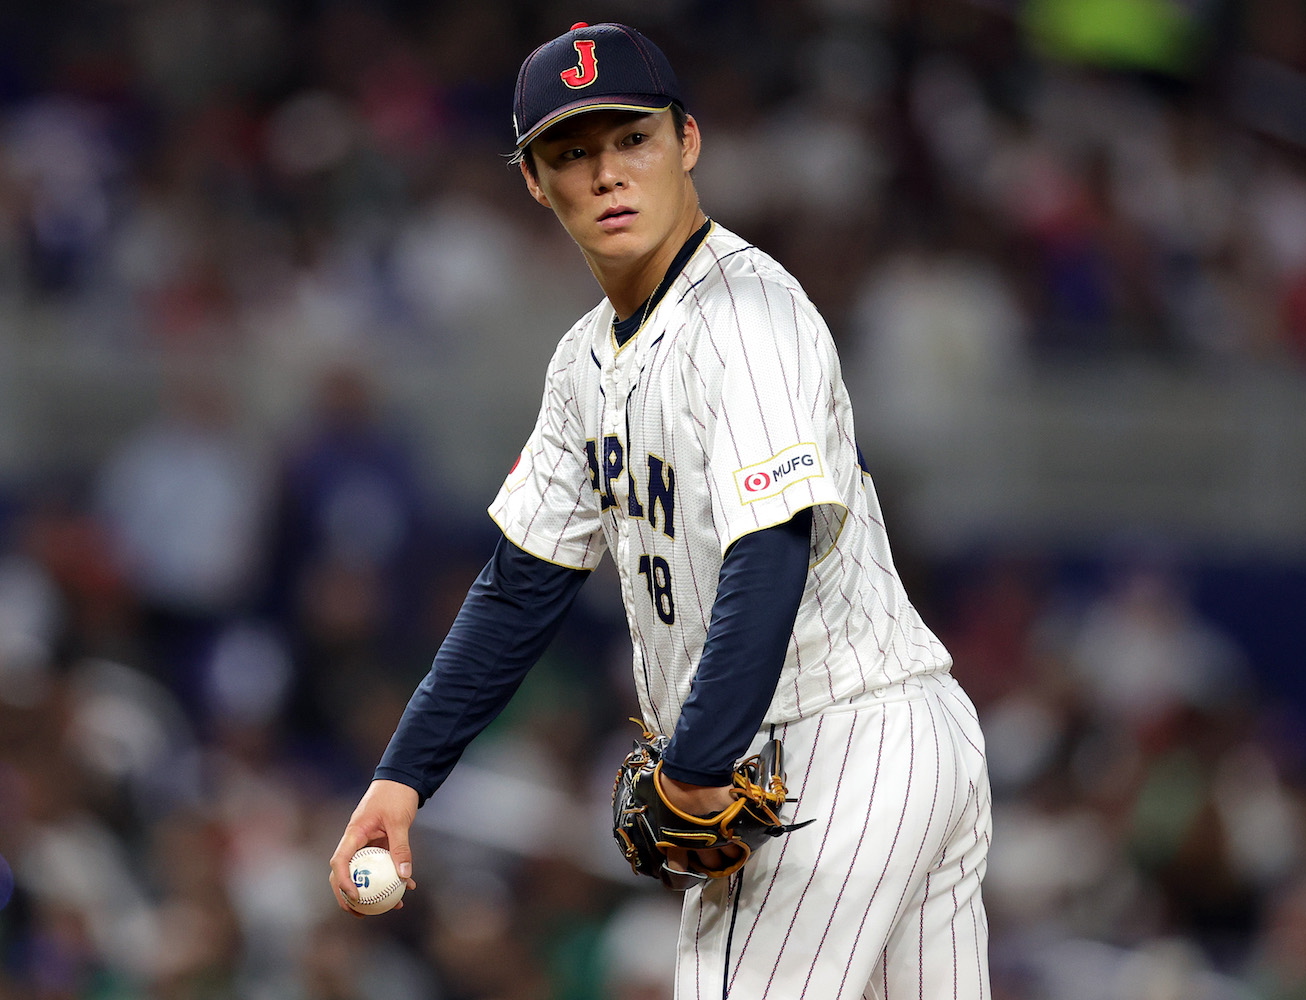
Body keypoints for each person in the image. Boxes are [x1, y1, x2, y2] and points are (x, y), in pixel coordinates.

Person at [328, 22, 992, 999]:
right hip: (881, 744)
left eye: (630, 139)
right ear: (532, 181)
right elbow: (521, 588)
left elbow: (773, 541)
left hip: (829, 741)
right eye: (571, 152)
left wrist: (695, 762)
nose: (605, 174)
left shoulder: (750, 317)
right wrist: (404, 775)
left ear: (687, 141)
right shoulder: (583, 363)